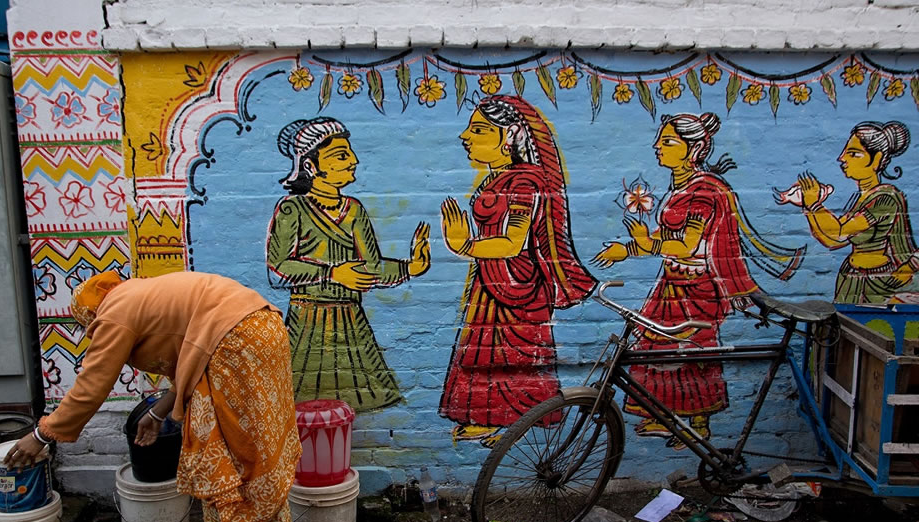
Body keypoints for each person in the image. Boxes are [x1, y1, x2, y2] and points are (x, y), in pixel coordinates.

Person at [4, 270, 301, 522]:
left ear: (91, 315)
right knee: (243, 453)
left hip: (232, 343)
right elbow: (192, 360)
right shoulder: (140, 296)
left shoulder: (114, 312)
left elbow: (91, 386)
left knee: (211, 453)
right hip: (264, 329)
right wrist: (159, 414)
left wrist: (41, 435)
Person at [593, 112, 802, 448]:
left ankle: (699, 425)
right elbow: (667, 236)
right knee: (653, 347)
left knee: (693, 356)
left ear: (693, 149)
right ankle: (664, 417)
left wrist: (645, 243)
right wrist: (629, 248)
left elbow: (688, 243)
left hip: (698, 287)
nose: (657, 147)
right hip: (672, 283)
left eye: (667, 142)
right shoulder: (681, 187)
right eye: (660, 141)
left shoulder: (705, 191)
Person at [439, 95, 596, 445]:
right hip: (492, 281)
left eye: (478, 130)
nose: (466, 136)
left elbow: (513, 243)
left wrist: (463, 244)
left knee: (514, 357)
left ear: (509, 136)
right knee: (487, 351)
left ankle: (516, 422)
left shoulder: (525, 182)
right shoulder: (501, 178)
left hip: (517, 284)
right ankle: (489, 417)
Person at [267, 117, 430, 412]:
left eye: (350, 153)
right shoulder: (292, 209)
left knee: (363, 410)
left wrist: (410, 267)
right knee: (299, 408)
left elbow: (371, 268)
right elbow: (277, 270)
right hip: (308, 325)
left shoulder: (353, 209)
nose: (353, 161)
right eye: (341, 155)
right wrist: (332, 273)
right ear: (311, 166)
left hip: (351, 326)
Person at [791, 121, 915, 303]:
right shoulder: (860, 198)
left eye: (853, 153)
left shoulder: (885, 198)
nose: (842, 158)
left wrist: (815, 204)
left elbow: (840, 233)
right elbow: (831, 240)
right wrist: (808, 206)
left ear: (877, 159)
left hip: (879, 285)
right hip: (852, 279)